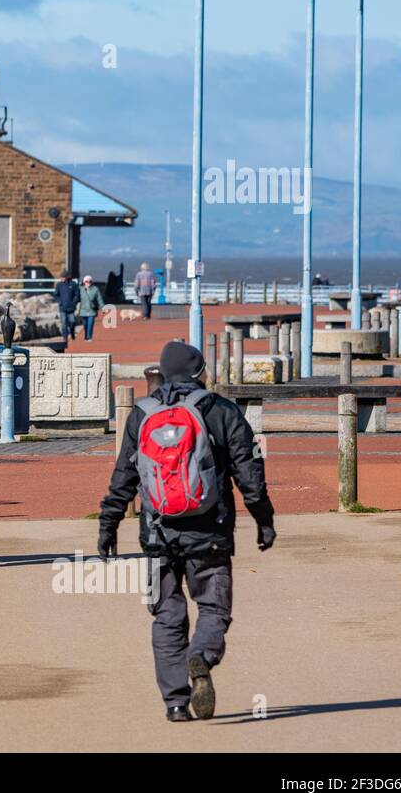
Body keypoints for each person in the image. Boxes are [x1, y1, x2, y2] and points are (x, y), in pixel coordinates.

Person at [96, 340, 276, 723]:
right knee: (213, 607)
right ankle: (202, 656)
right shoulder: (221, 411)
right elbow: (250, 473)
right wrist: (264, 521)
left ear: (161, 372)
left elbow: (124, 477)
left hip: (158, 533)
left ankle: (176, 703)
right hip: (210, 530)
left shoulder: (142, 414)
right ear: (199, 372)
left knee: (166, 615)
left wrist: (108, 524)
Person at [53, 273, 80, 344]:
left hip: (71, 308)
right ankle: (65, 338)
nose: (61, 279)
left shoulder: (73, 284)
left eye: (63, 277)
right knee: (64, 323)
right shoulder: (59, 285)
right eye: (61, 277)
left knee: (72, 321)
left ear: (67, 277)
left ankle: (72, 333)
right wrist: (59, 301)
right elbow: (56, 294)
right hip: (63, 308)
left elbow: (77, 294)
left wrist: (74, 302)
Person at [77, 274, 103, 341]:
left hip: (92, 310)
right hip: (83, 310)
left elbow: (99, 299)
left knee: (90, 324)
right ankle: (86, 335)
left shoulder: (95, 289)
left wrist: (103, 308)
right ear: (83, 282)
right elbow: (76, 298)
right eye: (86, 281)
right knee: (85, 325)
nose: (88, 283)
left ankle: (89, 337)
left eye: (90, 281)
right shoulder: (80, 289)